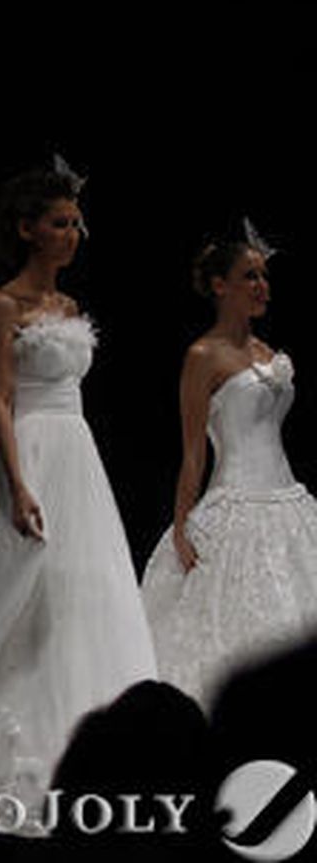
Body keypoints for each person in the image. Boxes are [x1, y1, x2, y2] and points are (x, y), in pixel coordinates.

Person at [0, 160, 156, 823]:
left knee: (83, 592)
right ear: (28, 230)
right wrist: (19, 481)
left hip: (78, 453)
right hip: (29, 451)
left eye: (77, 222)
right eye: (60, 222)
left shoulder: (70, 307)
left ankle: (92, 745)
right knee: (18, 597)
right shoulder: (5, 303)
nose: (73, 232)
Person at [141, 226, 317, 706]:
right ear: (220, 286)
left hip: (288, 502)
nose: (262, 285)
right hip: (234, 501)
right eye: (249, 276)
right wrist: (181, 524)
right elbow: (194, 451)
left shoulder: (267, 353)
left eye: (264, 276)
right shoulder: (203, 356)